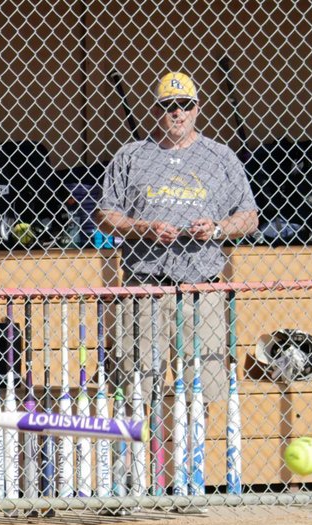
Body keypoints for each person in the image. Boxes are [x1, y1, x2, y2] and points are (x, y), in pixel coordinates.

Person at [94, 71, 258, 426]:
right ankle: (138, 457)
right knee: (135, 387)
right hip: (145, 286)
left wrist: (216, 228)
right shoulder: (132, 155)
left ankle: (191, 454)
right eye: (169, 105)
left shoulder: (220, 156)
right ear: (156, 110)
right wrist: (143, 229)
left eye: (185, 105)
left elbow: (249, 217)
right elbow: (105, 215)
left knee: (203, 390)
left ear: (197, 108)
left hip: (202, 287)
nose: (177, 113)